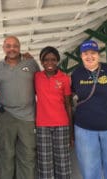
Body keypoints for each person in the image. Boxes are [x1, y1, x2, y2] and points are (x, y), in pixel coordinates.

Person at [71, 40, 107, 179]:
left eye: (93, 53)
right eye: (85, 54)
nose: (89, 56)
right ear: (81, 56)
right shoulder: (76, 74)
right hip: (84, 128)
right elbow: (68, 96)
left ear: (98, 54)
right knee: (89, 168)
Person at [0, 36, 40, 179]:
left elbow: (40, 86)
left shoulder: (31, 64)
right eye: (8, 46)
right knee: (7, 153)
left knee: (28, 154)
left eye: (15, 46)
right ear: (3, 48)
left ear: (19, 47)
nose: (12, 49)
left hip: (28, 117)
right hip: (6, 116)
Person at [34, 46, 72, 179]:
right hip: (42, 126)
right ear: (41, 61)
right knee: (44, 163)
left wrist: (71, 133)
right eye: (46, 60)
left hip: (62, 125)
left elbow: (68, 105)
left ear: (57, 61)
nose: (49, 63)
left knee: (63, 162)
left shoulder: (64, 78)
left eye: (53, 60)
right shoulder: (36, 77)